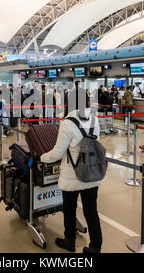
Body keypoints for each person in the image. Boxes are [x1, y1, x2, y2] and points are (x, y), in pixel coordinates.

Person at [39, 88, 103, 254]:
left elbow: (57, 153)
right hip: (92, 172)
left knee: (69, 208)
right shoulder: (94, 120)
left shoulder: (67, 123)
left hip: (72, 175)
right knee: (91, 211)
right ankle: (96, 246)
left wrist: (42, 158)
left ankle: (69, 241)